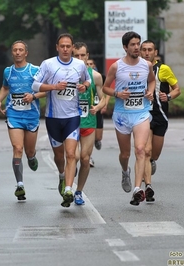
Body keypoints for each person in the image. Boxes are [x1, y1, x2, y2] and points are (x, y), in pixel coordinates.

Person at [32, 33, 91, 208]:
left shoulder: (79, 65)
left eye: (68, 46)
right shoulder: (48, 64)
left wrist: (83, 86)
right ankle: (61, 175)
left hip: (72, 117)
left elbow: (87, 80)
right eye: (62, 46)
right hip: (53, 118)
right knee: (59, 156)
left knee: (71, 154)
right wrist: (53, 87)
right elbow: (35, 85)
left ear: (72, 48)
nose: (65, 49)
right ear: (57, 47)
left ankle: (68, 190)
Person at [102, 31, 155, 206]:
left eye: (137, 44)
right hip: (122, 115)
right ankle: (125, 171)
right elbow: (105, 88)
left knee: (140, 149)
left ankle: (137, 189)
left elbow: (152, 81)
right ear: (125, 47)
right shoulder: (116, 67)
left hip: (141, 112)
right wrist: (117, 93)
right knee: (125, 154)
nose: (136, 47)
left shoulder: (146, 65)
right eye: (132, 44)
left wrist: (150, 91)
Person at [0, 40, 45, 201]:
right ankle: (20, 185)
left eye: (20, 50)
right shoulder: (8, 72)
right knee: (18, 148)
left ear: (26, 53)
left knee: (29, 151)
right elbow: (5, 87)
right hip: (14, 115)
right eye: (15, 50)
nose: (17, 52)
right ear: (12, 53)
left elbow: (47, 89)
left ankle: (31, 157)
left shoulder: (34, 70)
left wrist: (34, 96)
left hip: (31, 116)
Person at [140, 40, 181, 201]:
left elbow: (177, 89)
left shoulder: (163, 69)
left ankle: (151, 162)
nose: (147, 52)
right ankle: (148, 186)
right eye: (144, 50)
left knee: (154, 154)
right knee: (146, 150)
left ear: (155, 52)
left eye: (150, 50)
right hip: (143, 115)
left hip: (160, 116)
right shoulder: (137, 68)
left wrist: (168, 96)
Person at [72, 43, 105, 205]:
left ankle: (79, 191)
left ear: (87, 56)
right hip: (70, 122)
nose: (80, 59)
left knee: (85, 159)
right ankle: (67, 184)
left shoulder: (96, 76)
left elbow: (103, 97)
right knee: (73, 157)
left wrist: (98, 107)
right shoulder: (66, 74)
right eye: (76, 55)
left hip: (88, 122)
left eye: (82, 55)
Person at [86, 58, 110, 167]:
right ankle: (89, 157)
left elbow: (106, 92)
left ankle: (96, 141)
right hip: (88, 108)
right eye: (88, 64)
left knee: (98, 136)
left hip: (97, 107)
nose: (89, 65)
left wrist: (104, 104)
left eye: (91, 64)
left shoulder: (99, 77)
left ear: (94, 65)